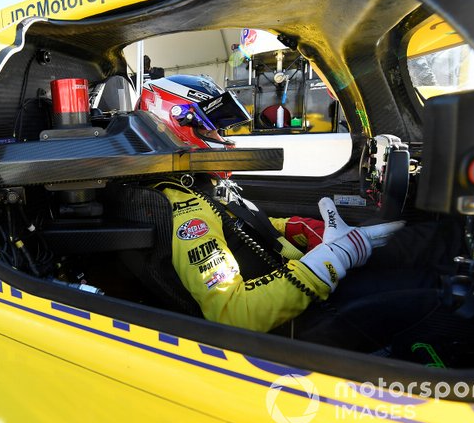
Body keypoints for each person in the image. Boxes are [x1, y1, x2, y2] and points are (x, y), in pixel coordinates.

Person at [138, 74, 405, 332]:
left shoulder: (194, 188)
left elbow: (232, 223)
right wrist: (333, 259)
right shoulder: (187, 212)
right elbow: (234, 313)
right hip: (288, 329)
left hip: (287, 292)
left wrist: (298, 229)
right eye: (213, 127)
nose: (222, 137)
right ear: (174, 122)